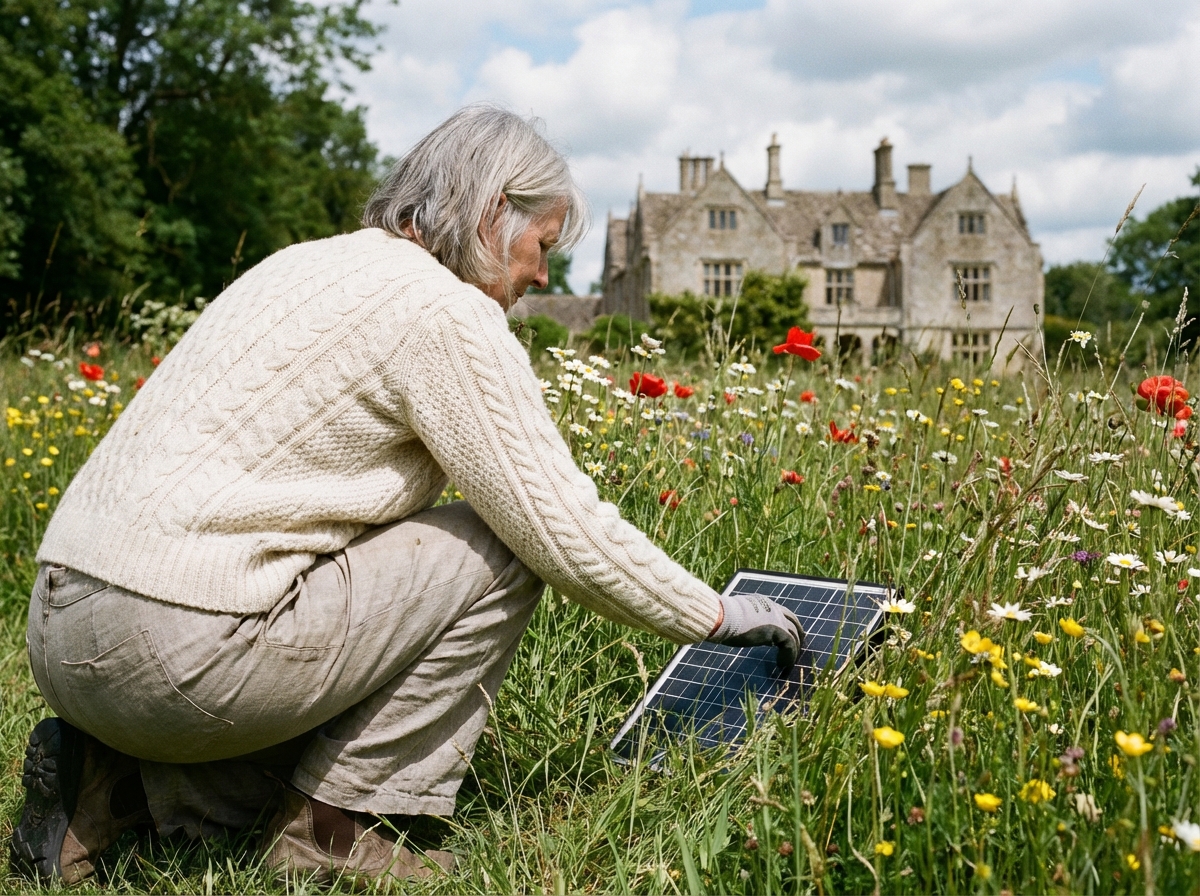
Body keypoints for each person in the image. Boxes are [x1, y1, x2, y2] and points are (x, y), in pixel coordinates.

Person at [11, 104, 804, 885]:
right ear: (496, 210)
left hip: (60, 630)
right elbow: (564, 530)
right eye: (541, 244)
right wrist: (715, 615)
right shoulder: (443, 310)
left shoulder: (301, 263)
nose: (542, 275)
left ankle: (114, 790)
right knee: (500, 549)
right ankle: (329, 830)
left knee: (338, 587)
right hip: (172, 651)